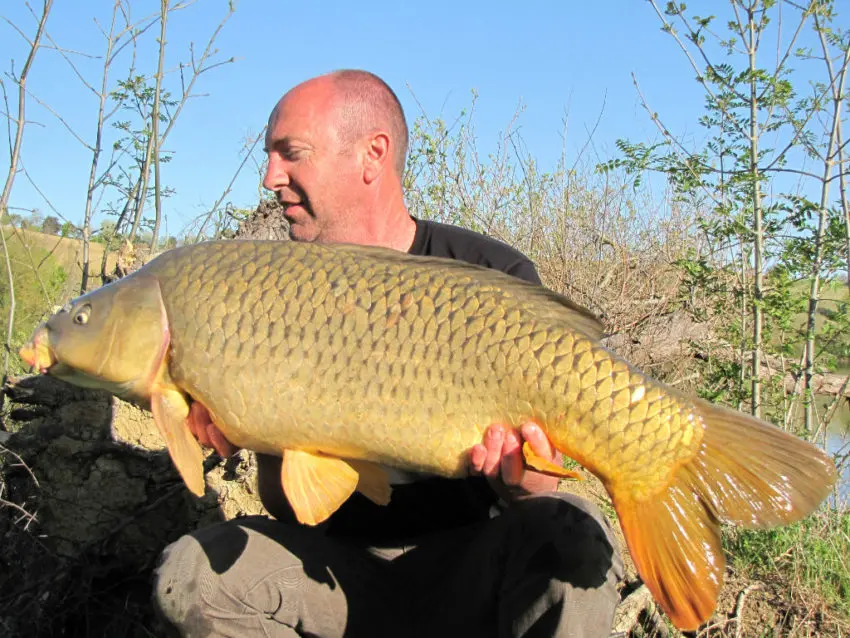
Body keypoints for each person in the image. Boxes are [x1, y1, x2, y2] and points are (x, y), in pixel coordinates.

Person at [152, 69, 624, 638]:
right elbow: (288, 506)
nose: (270, 177)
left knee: (572, 530)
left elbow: (536, 490)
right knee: (193, 577)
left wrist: (524, 480)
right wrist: (256, 433)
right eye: (269, 156)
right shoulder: (267, 290)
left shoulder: (488, 274)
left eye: (291, 153)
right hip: (332, 571)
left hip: (468, 566)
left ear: (372, 154)